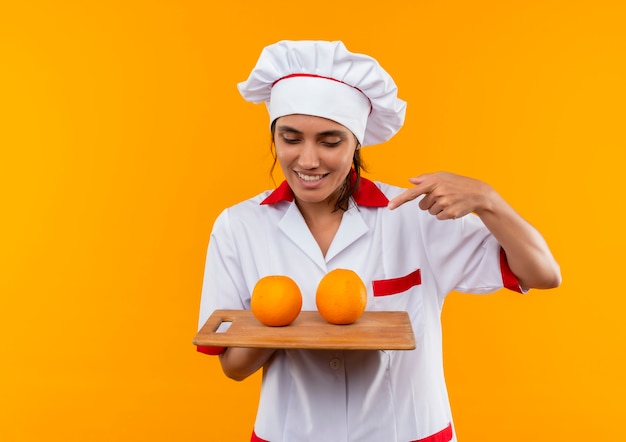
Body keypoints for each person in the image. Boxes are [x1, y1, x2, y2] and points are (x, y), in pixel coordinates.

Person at [196, 40, 561, 442]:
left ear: (356, 142)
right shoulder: (239, 225)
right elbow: (233, 367)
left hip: (407, 432)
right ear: (274, 137)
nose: (308, 160)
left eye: (330, 141)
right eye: (291, 138)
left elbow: (544, 274)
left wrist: (488, 201)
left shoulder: (414, 215)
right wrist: (284, 320)